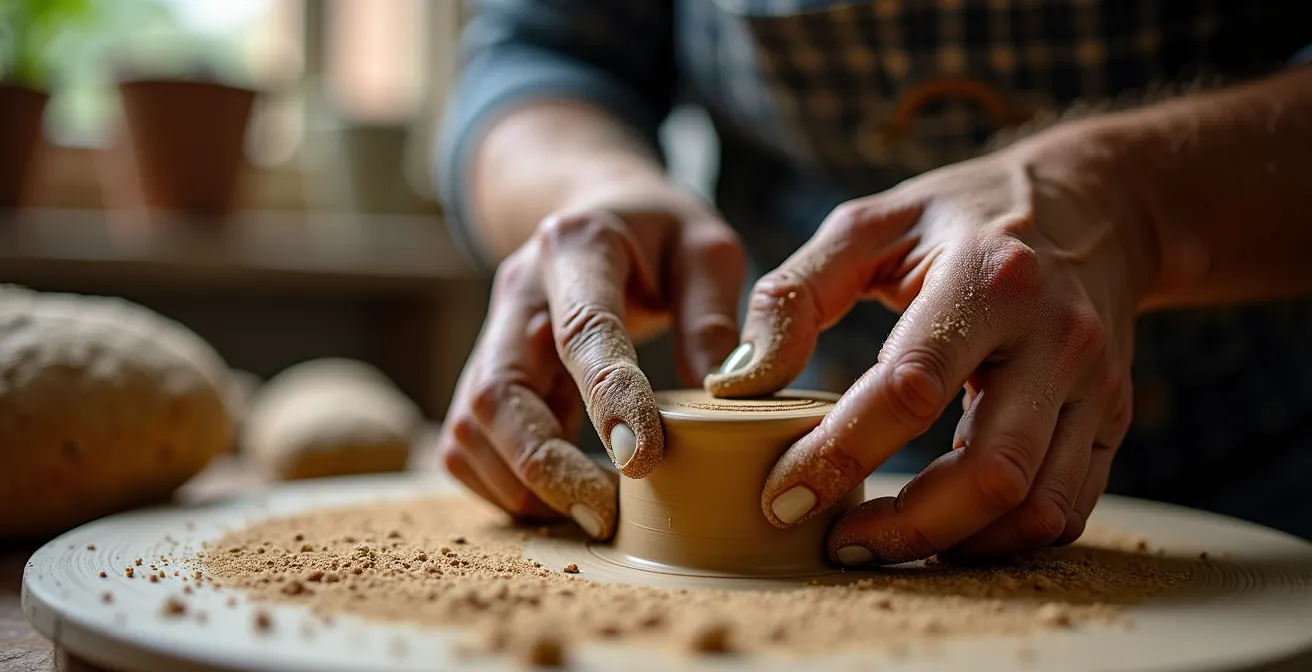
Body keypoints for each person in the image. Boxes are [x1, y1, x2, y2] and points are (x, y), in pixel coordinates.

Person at [433, 0, 1312, 564]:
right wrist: (588, 189)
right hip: (835, 453)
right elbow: (539, 57)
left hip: (1258, 474)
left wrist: (1131, 206)